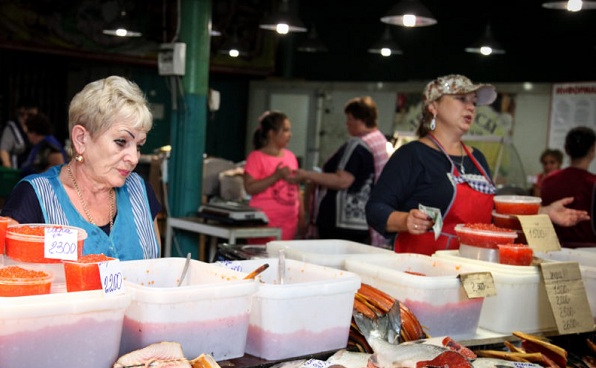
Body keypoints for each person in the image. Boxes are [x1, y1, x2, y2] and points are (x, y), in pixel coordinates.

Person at [366, 74, 589, 255]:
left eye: (473, 102)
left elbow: (492, 214)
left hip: (472, 266)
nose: (471, 107)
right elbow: (375, 209)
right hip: (422, 270)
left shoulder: (477, 159)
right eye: (461, 99)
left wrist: (543, 212)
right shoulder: (412, 155)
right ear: (433, 106)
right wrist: (405, 220)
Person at [0, 75, 162, 260]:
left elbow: (154, 272)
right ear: (81, 139)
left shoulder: (140, 193)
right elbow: (8, 277)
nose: (134, 158)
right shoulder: (34, 198)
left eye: (138, 145)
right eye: (121, 142)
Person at [291, 96, 388, 244]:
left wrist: (306, 174)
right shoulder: (379, 139)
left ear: (360, 119)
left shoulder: (358, 145)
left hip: (343, 223)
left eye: (349, 118)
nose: (346, 123)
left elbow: (343, 180)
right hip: (363, 220)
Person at [243, 111, 301, 242]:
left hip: (289, 223)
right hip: (264, 224)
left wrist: (302, 218)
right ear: (271, 133)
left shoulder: (290, 156)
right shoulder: (256, 157)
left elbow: (296, 189)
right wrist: (276, 176)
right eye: (285, 130)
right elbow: (250, 188)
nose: (289, 135)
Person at [540, 126, 596, 247]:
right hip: (589, 249)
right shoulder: (593, 183)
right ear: (593, 149)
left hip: (554, 247)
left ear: (566, 149)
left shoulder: (549, 180)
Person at [19, 112, 68, 176]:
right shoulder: (39, 145)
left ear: (33, 132)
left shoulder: (50, 146)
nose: (27, 136)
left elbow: (58, 168)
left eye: (28, 132)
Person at [0, 99, 38, 168]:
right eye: (22, 114)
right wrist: (7, 164)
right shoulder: (12, 127)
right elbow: (4, 149)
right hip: (17, 169)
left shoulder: (38, 128)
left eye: (30, 115)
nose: (25, 117)